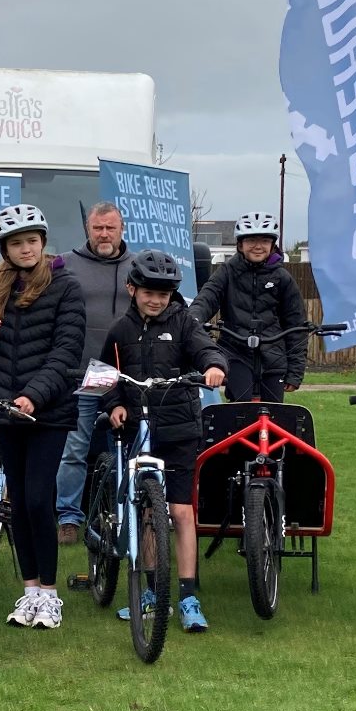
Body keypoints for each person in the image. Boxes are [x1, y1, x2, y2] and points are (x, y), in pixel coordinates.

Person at [0, 204, 85, 629]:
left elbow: (66, 351)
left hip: (48, 411)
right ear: (5, 248)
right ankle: (29, 589)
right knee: (17, 501)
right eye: (17, 243)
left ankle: (51, 595)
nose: (26, 248)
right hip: (5, 410)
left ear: (43, 242)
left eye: (32, 240)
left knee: (38, 498)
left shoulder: (65, 286)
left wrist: (34, 396)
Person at [101, 250, 227, 632]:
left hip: (180, 429)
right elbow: (108, 375)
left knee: (181, 511)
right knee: (151, 513)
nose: (157, 300)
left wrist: (213, 366)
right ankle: (153, 592)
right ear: (131, 289)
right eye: (149, 292)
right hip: (139, 430)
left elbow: (206, 348)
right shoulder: (119, 332)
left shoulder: (185, 323)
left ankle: (188, 595)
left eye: (165, 293)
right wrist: (114, 406)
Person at [54, 201, 136, 544]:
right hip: (86, 371)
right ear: (88, 229)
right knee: (75, 447)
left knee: (128, 450)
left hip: (127, 374)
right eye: (98, 228)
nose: (104, 234)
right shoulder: (66, 264)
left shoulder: (140, 265)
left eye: (110, 227)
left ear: (122, 229)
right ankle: (69, 516)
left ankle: (124, 513)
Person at [191, 212, 308, 402]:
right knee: (240, 412)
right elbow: (206, 298)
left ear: (272, 244)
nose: (258, 246)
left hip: (273, 358)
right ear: (240, 244)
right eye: (251, 240)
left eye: (264, 240)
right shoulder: (227, 272)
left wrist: (295, 372)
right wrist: (193, 319)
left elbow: (296, 326)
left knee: (274, 416)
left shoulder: (282, 278)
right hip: (235, 353)